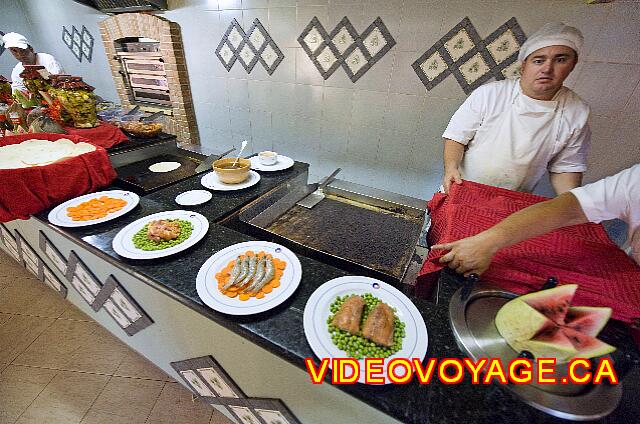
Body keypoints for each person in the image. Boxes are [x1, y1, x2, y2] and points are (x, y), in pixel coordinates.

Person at [441, 23, 590, 195]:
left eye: (560, 60)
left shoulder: (577, 112)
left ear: (573, 64)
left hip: (512, 199)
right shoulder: (490, 94)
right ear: (523, 65)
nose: (547, 69)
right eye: (539, 60)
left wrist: (570, 202)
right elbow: (456, 137)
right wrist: (451, 168)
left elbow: (566, 168)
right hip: (462, 187)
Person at [432, 164, 640, 276]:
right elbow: (567, 207)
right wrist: (487, 242)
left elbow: (566, 173)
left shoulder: (576, 110)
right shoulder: (635, 181)